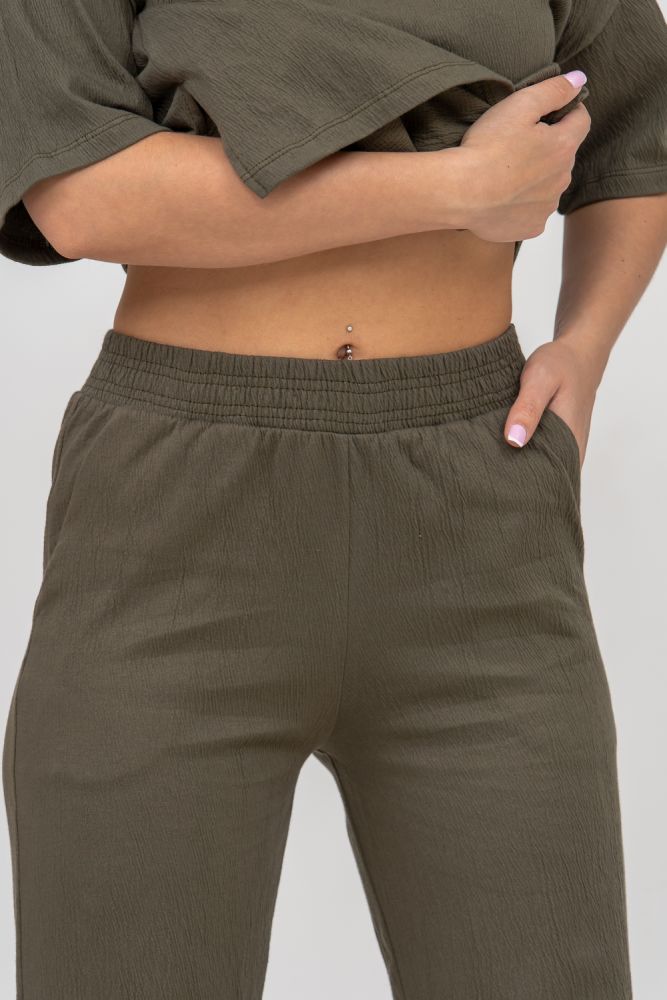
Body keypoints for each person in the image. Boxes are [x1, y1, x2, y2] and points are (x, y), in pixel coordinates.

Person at [1, 0, 666, 997]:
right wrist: (453, 188)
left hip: (477, 514)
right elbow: (78, 191)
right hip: (176, 519)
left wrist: (586, 347)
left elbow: (637, 124)